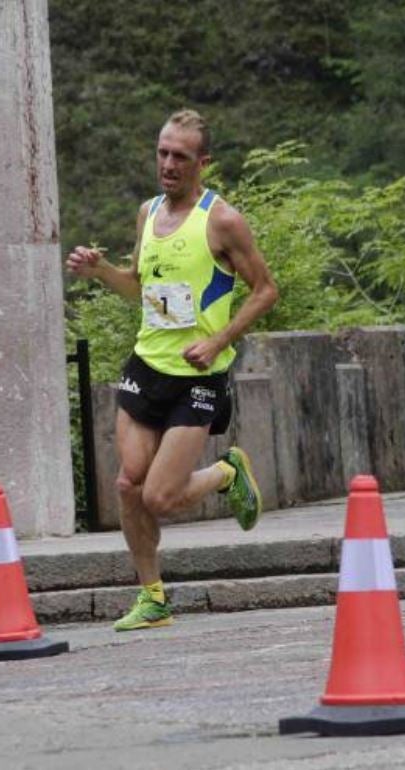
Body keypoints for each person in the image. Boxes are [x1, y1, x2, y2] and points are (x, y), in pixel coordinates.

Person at [66, 109, 279, 631]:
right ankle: (153, 597)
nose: (167, 164)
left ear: (202, 163)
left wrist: (218, 339)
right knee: (126, 485)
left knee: (159, 496)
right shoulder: (147, 212)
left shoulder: (222, 220)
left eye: (180, 156)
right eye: (162, 152)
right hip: (146, 367)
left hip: (198, 379)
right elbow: (138, 288)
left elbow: (267, 290)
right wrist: (99, 272)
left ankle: (227, 472)